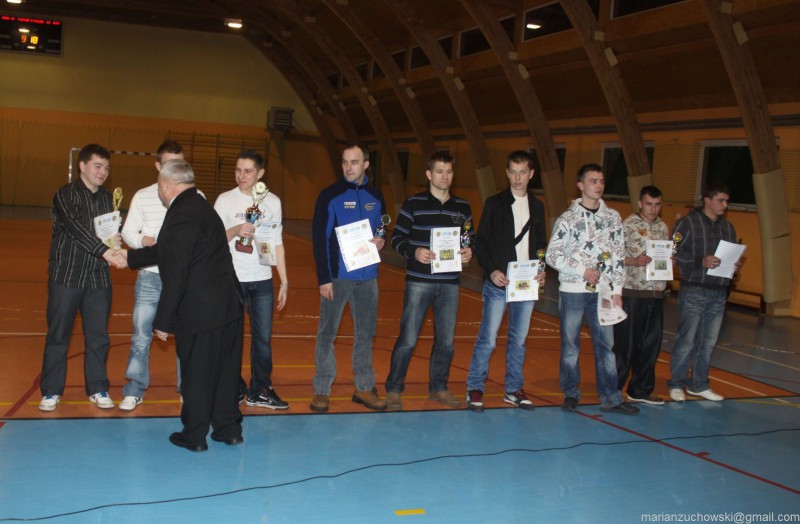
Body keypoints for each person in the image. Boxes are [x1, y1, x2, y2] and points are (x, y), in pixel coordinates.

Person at [122, 159, 244, 452]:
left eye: (159, 187)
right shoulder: (202, 207)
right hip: (229, 305)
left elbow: (176, 271)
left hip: (201, 310)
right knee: (226, 371)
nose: (159, 193)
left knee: (197, 372)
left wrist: (163, 321)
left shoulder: (180, 214)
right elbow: (170, 251)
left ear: (166, 184)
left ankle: (194, 435)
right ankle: (228, 429)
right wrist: (129, 258)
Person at [545, 163, 638, 415]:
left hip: (603, 293)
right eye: (593, 181)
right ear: (580, 185)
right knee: (570, 346)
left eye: (602, 181)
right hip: (573, 291)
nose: (599, 186)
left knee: (606, 346)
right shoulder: (567, 219)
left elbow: (618, 255)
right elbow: (552, 255)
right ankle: (570, 393)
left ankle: (611, 397)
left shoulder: (613, 218)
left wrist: (617, 290)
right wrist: (581, 270)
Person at [384, 152, 473, 411]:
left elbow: (469, 238)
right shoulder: (413, 204)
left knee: (446, 341)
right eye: (440, 171)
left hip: (450, 283)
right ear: (428, 174)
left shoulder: (463, 207)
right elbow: (397, 239)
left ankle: (439, 388)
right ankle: (393, 389)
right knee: (408, 338)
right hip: (419, 282)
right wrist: (415, 252)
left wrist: (469, 251)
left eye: (449, 171)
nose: (445, 176)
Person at [39, 143, 123, 412]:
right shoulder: (64, 195)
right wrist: (106, 251)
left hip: (98, 279)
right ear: (82, 166)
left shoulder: (109, 199)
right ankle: (51, 391)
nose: (103, 172)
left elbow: (107, 233)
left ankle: (98, 388)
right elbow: (77, 230)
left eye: (106, 167)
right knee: (58, 336)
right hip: (66, 276)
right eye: (97, 166)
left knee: (99, 337)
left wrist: (116, 241)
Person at [465, 150, 547, 412]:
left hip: (526, 284)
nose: (517, 177)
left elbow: (541, 245)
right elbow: (481, 241)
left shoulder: (537, 206)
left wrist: (541, 269)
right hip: (499, 283)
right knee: (488, 339)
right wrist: (491, 271)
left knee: (518, 340)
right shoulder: (494, 203)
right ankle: (475, 387)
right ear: (507, 173)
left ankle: (513, 389)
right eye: (513, 172)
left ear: (531, 174)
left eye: (523, 172)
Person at [310, 143, 387, 412]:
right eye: (344, 162)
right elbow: (320, 239)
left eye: (354, 162)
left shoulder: (376, 196)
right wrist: (324, 278)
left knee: (365, 334)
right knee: (327, 333)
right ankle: (322, 390)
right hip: (337, 277)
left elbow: (380, 229)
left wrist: (381, 241)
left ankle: (364, 387)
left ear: (366, 164)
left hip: (369, 277)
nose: (348, 167)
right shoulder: (329, 195)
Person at [214, 150, 289, 410]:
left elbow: (277, 243)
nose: (241, 176)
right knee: (230, 339)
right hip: (232, 280)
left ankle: (260, 390)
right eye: (238, 170)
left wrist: (284, 281)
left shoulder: (273, 202)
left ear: (260, 174)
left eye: (247, 171)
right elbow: (213, 239)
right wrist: (237, 229)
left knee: (262, 341)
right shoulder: (225, 200)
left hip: (263, 281)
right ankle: (233, 387)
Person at [118, 140, 185, 411]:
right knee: (141, 335)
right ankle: (135, 389)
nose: (174, 169)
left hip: (182, 279)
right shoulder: (143, 196)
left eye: (179, 164)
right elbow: (127, 232)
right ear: (158, 166)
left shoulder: (194, 197)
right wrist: (143, 242)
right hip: (149, 277)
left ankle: (187, 389)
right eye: (169, 164)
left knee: (186, 336)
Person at [668, 183, 739, 403]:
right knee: (687, 340)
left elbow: (730, 255)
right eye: (720, 200)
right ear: (707, 200)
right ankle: (677, 383)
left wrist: (734, 265)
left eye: (727, 201)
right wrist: (701, 261)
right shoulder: (687, 223)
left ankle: (699, 384)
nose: (725, 205)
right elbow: (672, 251)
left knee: (708, 343)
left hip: (719, 291)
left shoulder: (728, 227)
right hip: (694, 289)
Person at [612, 186, 669, 406]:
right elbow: (614, 257)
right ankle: (613, 390)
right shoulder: (627, 225)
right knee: (626, 345)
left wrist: (669, 261)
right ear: (640, 203)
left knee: (650, 344)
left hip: (656, 293)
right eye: (649, 204)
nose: (653, 209)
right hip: (632, 292)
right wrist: (634, 261)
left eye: (657, 204)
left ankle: (640, 390)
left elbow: (664, 255)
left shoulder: (663, 227)